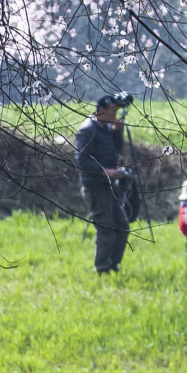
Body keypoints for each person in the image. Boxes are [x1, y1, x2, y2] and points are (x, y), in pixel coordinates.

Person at [74, 94, 131, 274]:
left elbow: (117, 150)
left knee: (122, 226)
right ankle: (102, 268)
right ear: (102, 111)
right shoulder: (87, 130)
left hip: (109, 184)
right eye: (113, 111)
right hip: (95, 185)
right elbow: (81, 160)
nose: (116, 114)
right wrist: (103, 171)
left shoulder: (106, 127)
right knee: (106, 227)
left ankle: (113, 265)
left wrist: (117, 131)